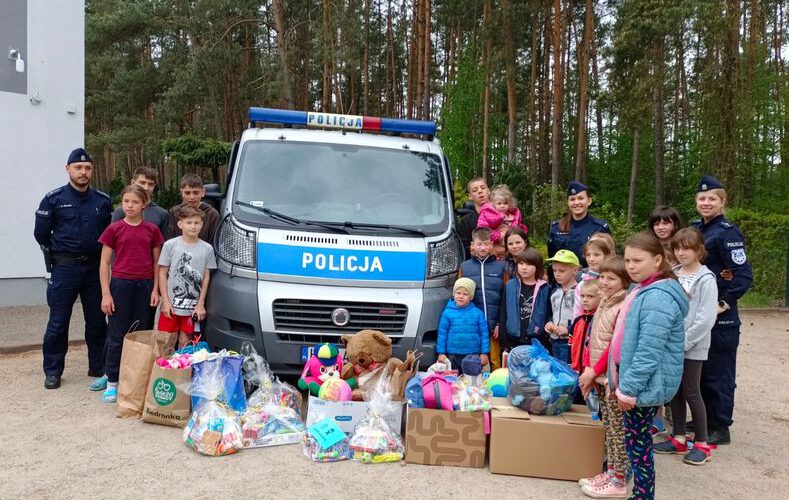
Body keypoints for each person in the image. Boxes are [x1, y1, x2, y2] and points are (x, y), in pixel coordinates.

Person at [610, 232, 688, 500]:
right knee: (636, 444)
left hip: (642, 385)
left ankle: (643, 495)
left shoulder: (657, 297)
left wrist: (628, 389)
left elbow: (648, 352)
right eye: (628, 260)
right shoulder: (642, 288)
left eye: (637, 260)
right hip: (635, 381)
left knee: (639, 447)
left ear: (657, 260)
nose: (630, 266)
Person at [33, 148, 112, 390]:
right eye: (78, 168)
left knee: (97, 321)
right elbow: (41, 234)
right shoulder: (53, 199)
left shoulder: (102, 201)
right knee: (58, 322)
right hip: (64, 269)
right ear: (68, 169)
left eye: (87, 168)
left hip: (93, 269)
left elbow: (108, 235)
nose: (83, 172)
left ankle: (97, 366)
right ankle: (53, 371)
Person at [691, 175, 753, 445]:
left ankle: (721, 426)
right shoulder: (696, 229)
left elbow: (743, 276)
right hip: (698, 312)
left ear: (722, 201)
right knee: (701, 370)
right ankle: (705, 419)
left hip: (721, 318)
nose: (706, 203)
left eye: (711, 199)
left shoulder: (727, 232)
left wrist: (723, 304)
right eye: (702, 199)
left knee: (719, 372)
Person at [654, 228, 717, 465]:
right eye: (677, 248)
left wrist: (685, 342)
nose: (681, 253)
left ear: (699, 249)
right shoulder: (674, 273)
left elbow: (705, 318)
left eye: (686, 248)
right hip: (671, 345)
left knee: (691, 390)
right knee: (675, 391)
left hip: (693, 346)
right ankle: (678, 437)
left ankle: (702, 443)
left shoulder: (706, 279)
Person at [96, 185, 164, 403]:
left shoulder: (152, 230)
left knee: (142, 336)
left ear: (144, 204)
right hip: (120, 285)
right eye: (126, 201)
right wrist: (106, 294)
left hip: (144, 287)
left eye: (135, 202)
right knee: (117, 335)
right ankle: (113, 382)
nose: (130, 206)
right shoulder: (114, 229)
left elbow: (157, 262)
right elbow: (105, 263)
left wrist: (156, 289)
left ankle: (137, 381)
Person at [578, 256, 631, 498]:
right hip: (598, 376)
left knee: (618, 432)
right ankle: (610, 472)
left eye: (612, 279)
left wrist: (594, 370)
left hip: (610, 377)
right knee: (608, 428)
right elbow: (593, 339)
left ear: (625, 281)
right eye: (603, 277)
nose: (605, 282)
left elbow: (612, 347)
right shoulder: (604, 302)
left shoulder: (622, 306)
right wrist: (588, 368)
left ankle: (619, 481)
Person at [158, 207, 217, 348]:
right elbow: (162, 273)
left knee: (186, 341)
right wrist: (165, 301)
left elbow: (206, 277)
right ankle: (165, 369)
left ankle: (182, 369)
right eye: (189, 222)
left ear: (202, 224)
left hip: (191, 308)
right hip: (171, 305)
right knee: (166, 342)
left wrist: (201, 304)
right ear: (180, 224)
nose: (193, 226)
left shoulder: (207, 248)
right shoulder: (170, 245)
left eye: (196, 223)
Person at [459, 228, 506, 370]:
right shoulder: (465, 267)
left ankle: (496, 389)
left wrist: (499, 323)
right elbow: (459, 296)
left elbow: (505, 297)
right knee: (472, 362)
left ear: (491, 245)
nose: (483, 248)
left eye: (486, 244)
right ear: (473, 245)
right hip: (473, 326)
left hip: (493, 327)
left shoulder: (500, 267)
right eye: (479, 244)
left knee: (495, 361)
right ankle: (473, 390)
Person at [548, 181, 611, 270]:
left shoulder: (599, 228)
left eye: (580, 198)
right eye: (572, 199)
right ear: (568, 202)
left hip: (591, 280)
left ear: (589, 201)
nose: (576, 202)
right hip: (562, 282)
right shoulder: (556, 228)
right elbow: (552, 262)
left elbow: (609, 260)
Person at [499, 249, 550, 353]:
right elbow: (503, 313)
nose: (524, 267)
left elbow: (548, 315)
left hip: (536, 342)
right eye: (521, 263)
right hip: (513, 341)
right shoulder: (510, 285)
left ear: (538, 267)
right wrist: (504, 340)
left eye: (529, 264)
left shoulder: (545, 288)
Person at [436, 277, 490, 373]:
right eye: (458, 293)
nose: (461, 296)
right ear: (454, 294)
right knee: (453, 380)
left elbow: (484, 335)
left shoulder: (478, 313)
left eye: (465, 294)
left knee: (471, 380)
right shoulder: (447, 313)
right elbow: (442, 334)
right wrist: (441, 352)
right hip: (453, 354)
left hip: (472, 355)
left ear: (471, 296)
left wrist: (484, 353)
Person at [112, 166, 169, 237]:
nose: (146, 188)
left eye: (150, 184)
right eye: (142, 183)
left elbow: (164, 245)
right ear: (133, 183)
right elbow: (112, 242)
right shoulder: (121, 212)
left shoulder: (162, 214)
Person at [545, 249, 580, 363]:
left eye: (562, 271)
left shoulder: (580, 292)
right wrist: (549, 323)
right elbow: (551, 313)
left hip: (571, 342)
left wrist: (569, 329)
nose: (557, 274)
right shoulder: (555, 292)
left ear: (575, 270)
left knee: (568, 373)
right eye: (555, 270)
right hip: (554, 340)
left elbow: (583, 318)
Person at [165, 173, 221, 243]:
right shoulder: (174, 212)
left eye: (195, 193)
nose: (192, 197)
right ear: (182, 192)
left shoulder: (212, 215)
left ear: (203, 192)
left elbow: (214, 244)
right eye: (187, 193)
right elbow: (169, 241)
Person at [476, 184, 529, 254]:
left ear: (510, 203)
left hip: (512, 248)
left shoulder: (514, 216)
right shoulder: (488, 214)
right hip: (494, 249)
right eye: (499, 203)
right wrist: (498, 235)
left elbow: (520, 229)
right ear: (493, 204)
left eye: (505, 203)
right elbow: (482, 229)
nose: (502, 206)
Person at [573, 235, 615, 319]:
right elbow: (577, 311)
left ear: (607, 255)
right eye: (588, 255)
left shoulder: (615, 281)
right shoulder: (582, 283)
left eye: (596, 255)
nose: (591, 259)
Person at [569, 279, 600, 374]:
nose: (585, 299)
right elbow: (570, 344)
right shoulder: (578, 320)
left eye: (590, 296)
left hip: (591, 371)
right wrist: (569, 364)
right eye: (582, 296)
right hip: (576, 369)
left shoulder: (599, 319)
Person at [457, 177, 490, 259]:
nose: (480, 191)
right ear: (470, 196)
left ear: (489, 191)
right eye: (475, 190)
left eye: (483, 188)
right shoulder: (465, 222)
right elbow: (464, 249)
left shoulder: (503, 215)